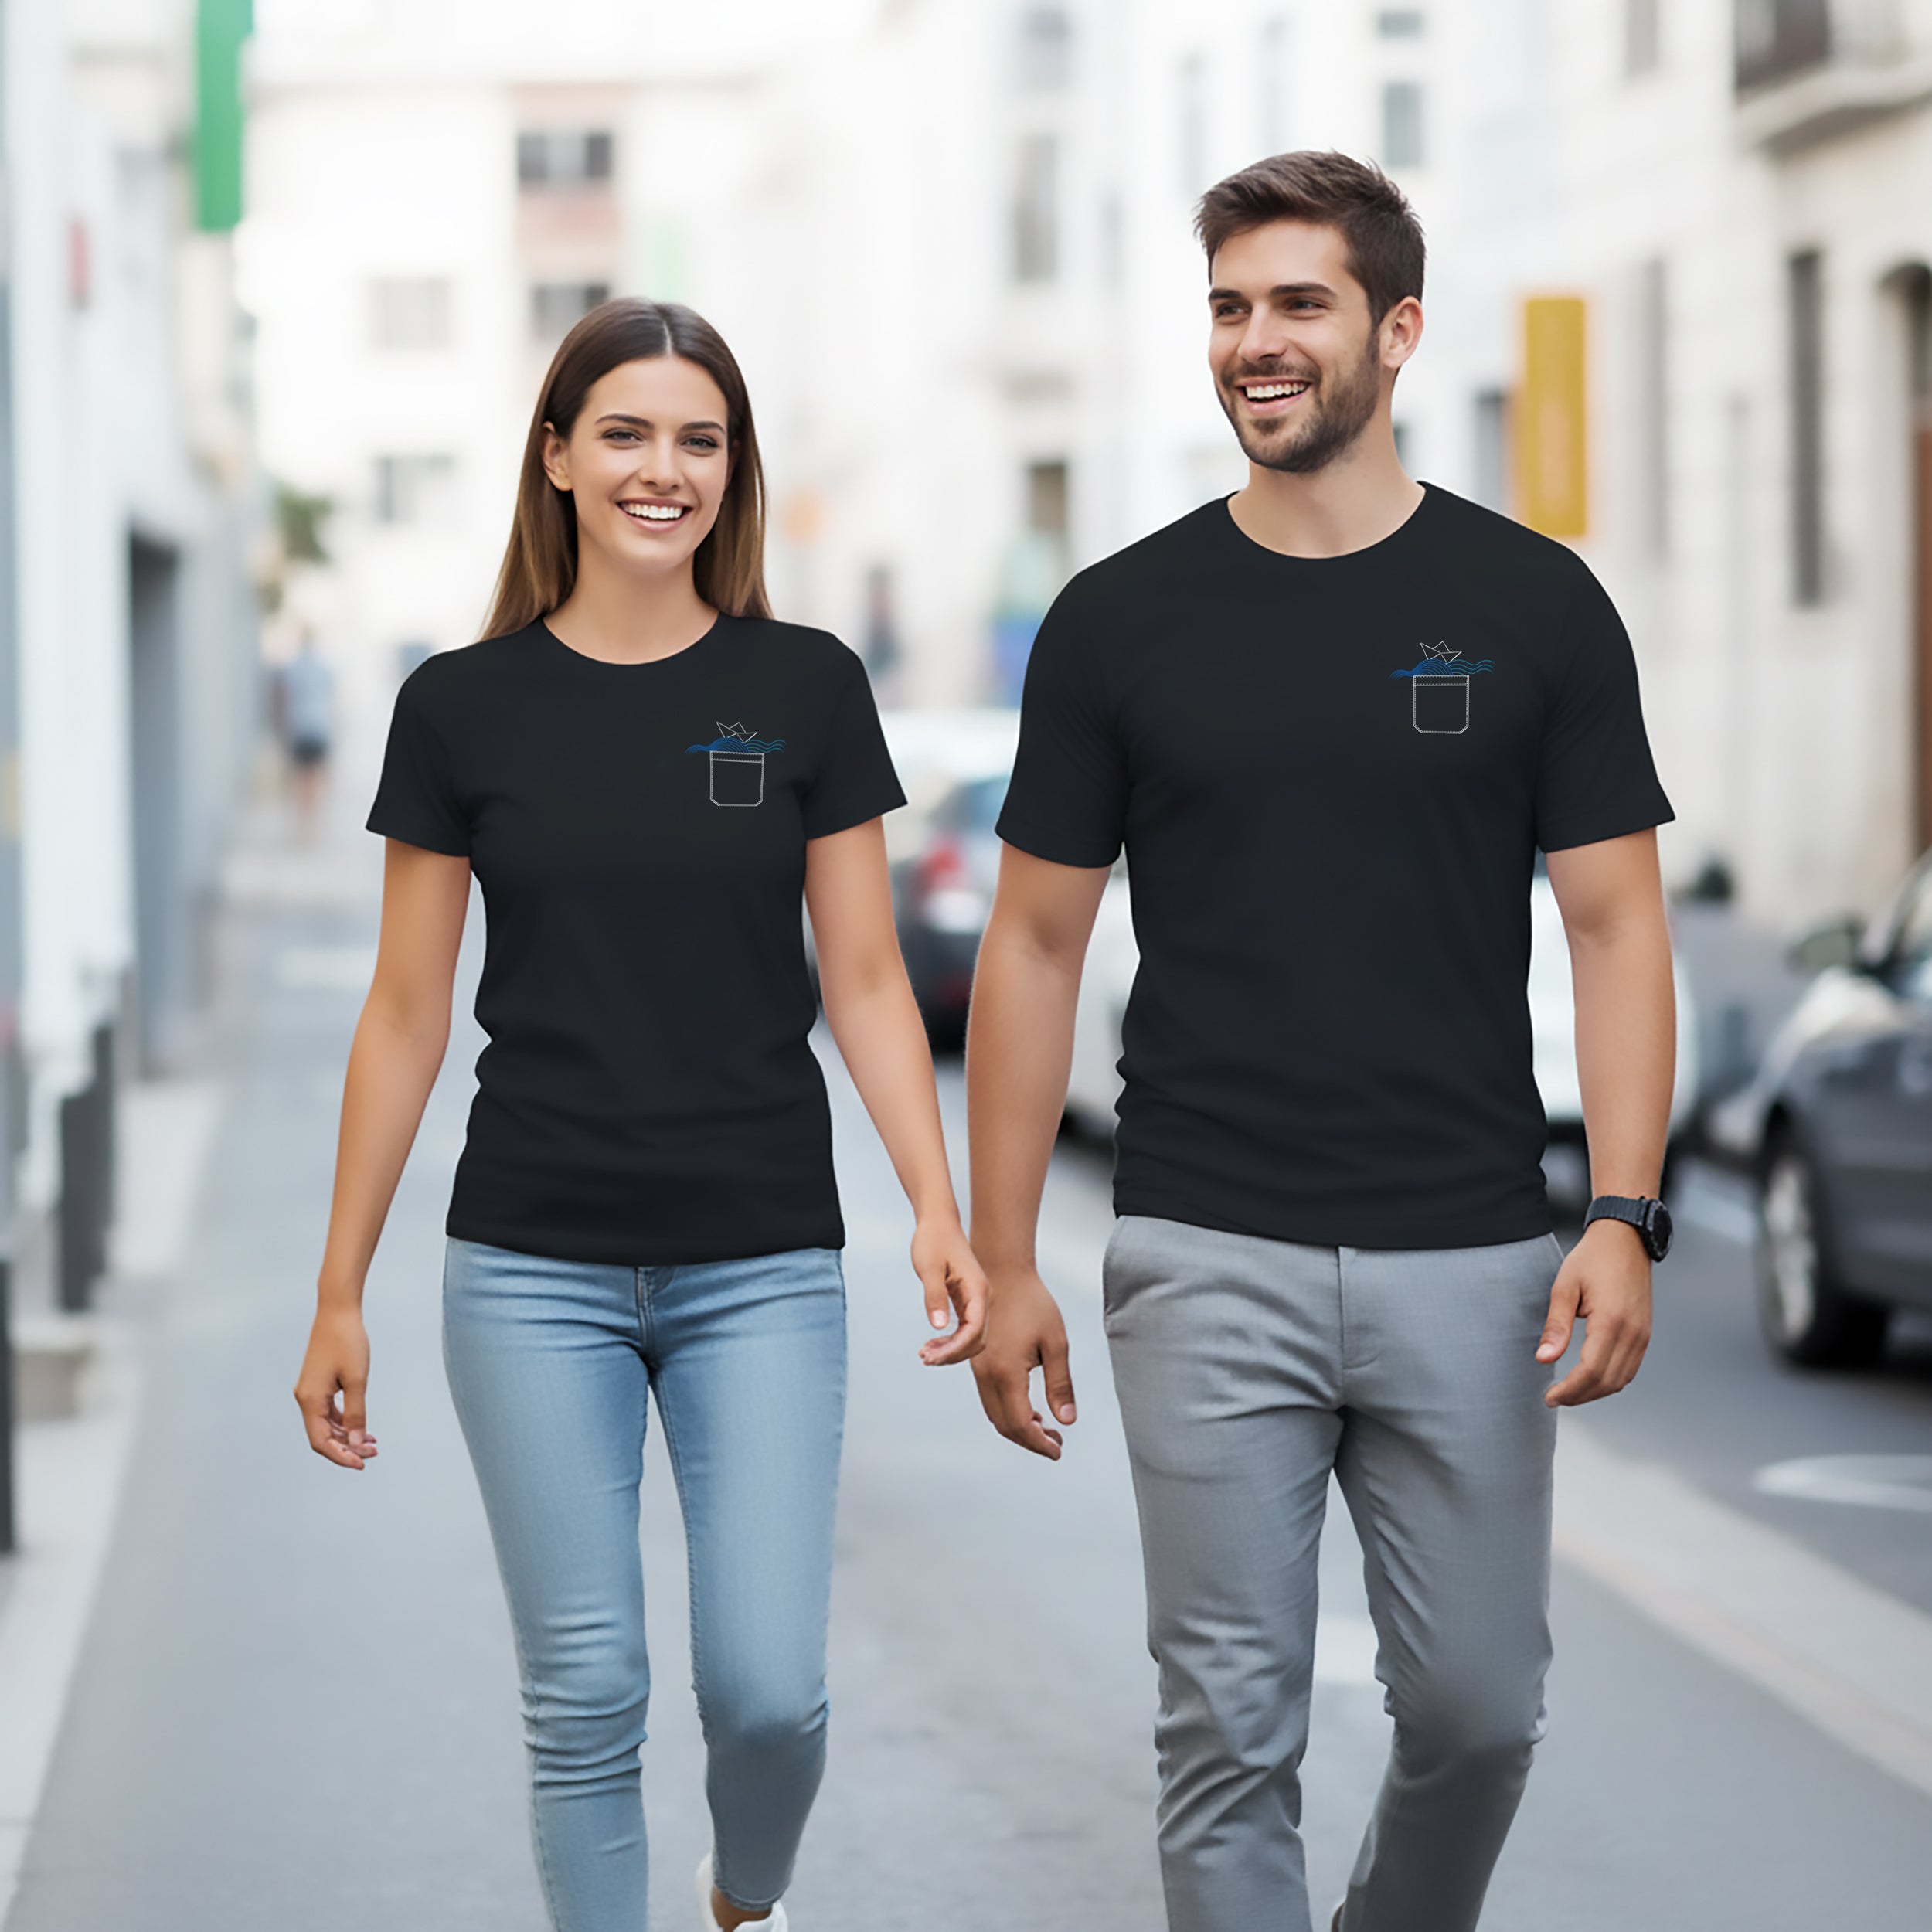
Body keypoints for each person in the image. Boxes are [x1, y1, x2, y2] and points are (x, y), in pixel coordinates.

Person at [964, 151, 1677, 1932]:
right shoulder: (1119, 621)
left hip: (1473, 1254)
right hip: (1204, 1248)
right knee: (1226, 1729)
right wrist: (999, 1254)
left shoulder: (1535, 607)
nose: (1256, 342)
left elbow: (1614, 923)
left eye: (1298, 303)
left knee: (1477, 1714)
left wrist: (1628, 1210)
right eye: (1228, 306)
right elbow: (1038, 941)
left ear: (1398, 329)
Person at [293, 298, 988, 1932]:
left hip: (759, 1256)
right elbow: (403, 1014)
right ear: (554, 458)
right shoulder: (460, 706)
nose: (659, 468)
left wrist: (938, 1209)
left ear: (729, 469)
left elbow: (871, 980)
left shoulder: (805, 687)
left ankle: (746, 1892)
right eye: (622, 431)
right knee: (585, 1691)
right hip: (528, 1261)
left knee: (768, 1693)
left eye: (696, 438)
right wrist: (340, 1288)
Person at [281, 628, 335, 844]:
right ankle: (312, 825)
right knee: (315, 778)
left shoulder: (293, 668)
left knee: (301, 778)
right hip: (318, 728)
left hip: (300, 727)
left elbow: (286, 699)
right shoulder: (323, 668)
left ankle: (305, 825)